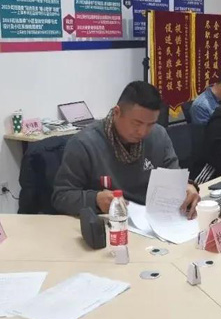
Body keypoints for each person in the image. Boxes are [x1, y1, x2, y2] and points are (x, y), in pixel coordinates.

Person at [53, 81, 200, 219]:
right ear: (117, 112)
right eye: (137, 123)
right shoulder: (84, 144)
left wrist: (187, 188)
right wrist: (95, 200)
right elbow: (61, 197)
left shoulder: (158, 135)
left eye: (150, 124)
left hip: (152, 221)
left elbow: (174, 178)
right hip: (111, 224)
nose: (143, 132)